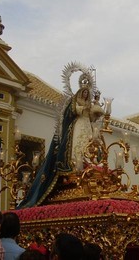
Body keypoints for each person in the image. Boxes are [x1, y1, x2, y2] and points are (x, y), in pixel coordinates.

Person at [17, 72, 98, 208]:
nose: (85, 94)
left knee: (88, 144)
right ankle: (75, 164)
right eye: (83, 92)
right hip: (78, 125)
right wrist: (83, 108)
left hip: (86, 126)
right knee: (76, 144)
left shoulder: (89, 103)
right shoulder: (74, 102)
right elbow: (71, 112)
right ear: (80, 92)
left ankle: (87, 162)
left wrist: (94, 110)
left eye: (86, 93)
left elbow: (92, 117)